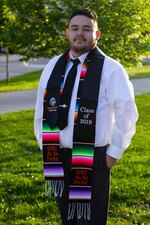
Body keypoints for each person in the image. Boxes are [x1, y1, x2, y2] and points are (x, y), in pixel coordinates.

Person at [34, 8, 138, 225]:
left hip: (94, 158)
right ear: (67, 33)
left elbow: (126, 113)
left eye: (87, 29)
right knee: (68, 218)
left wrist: (113, 154)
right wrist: (44, 145)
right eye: (75, 28)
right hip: (58, 156)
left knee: (91, 220)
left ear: (96, 35)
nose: (79, 33)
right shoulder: (52, 66)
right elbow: (41, 110)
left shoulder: (111, 69)